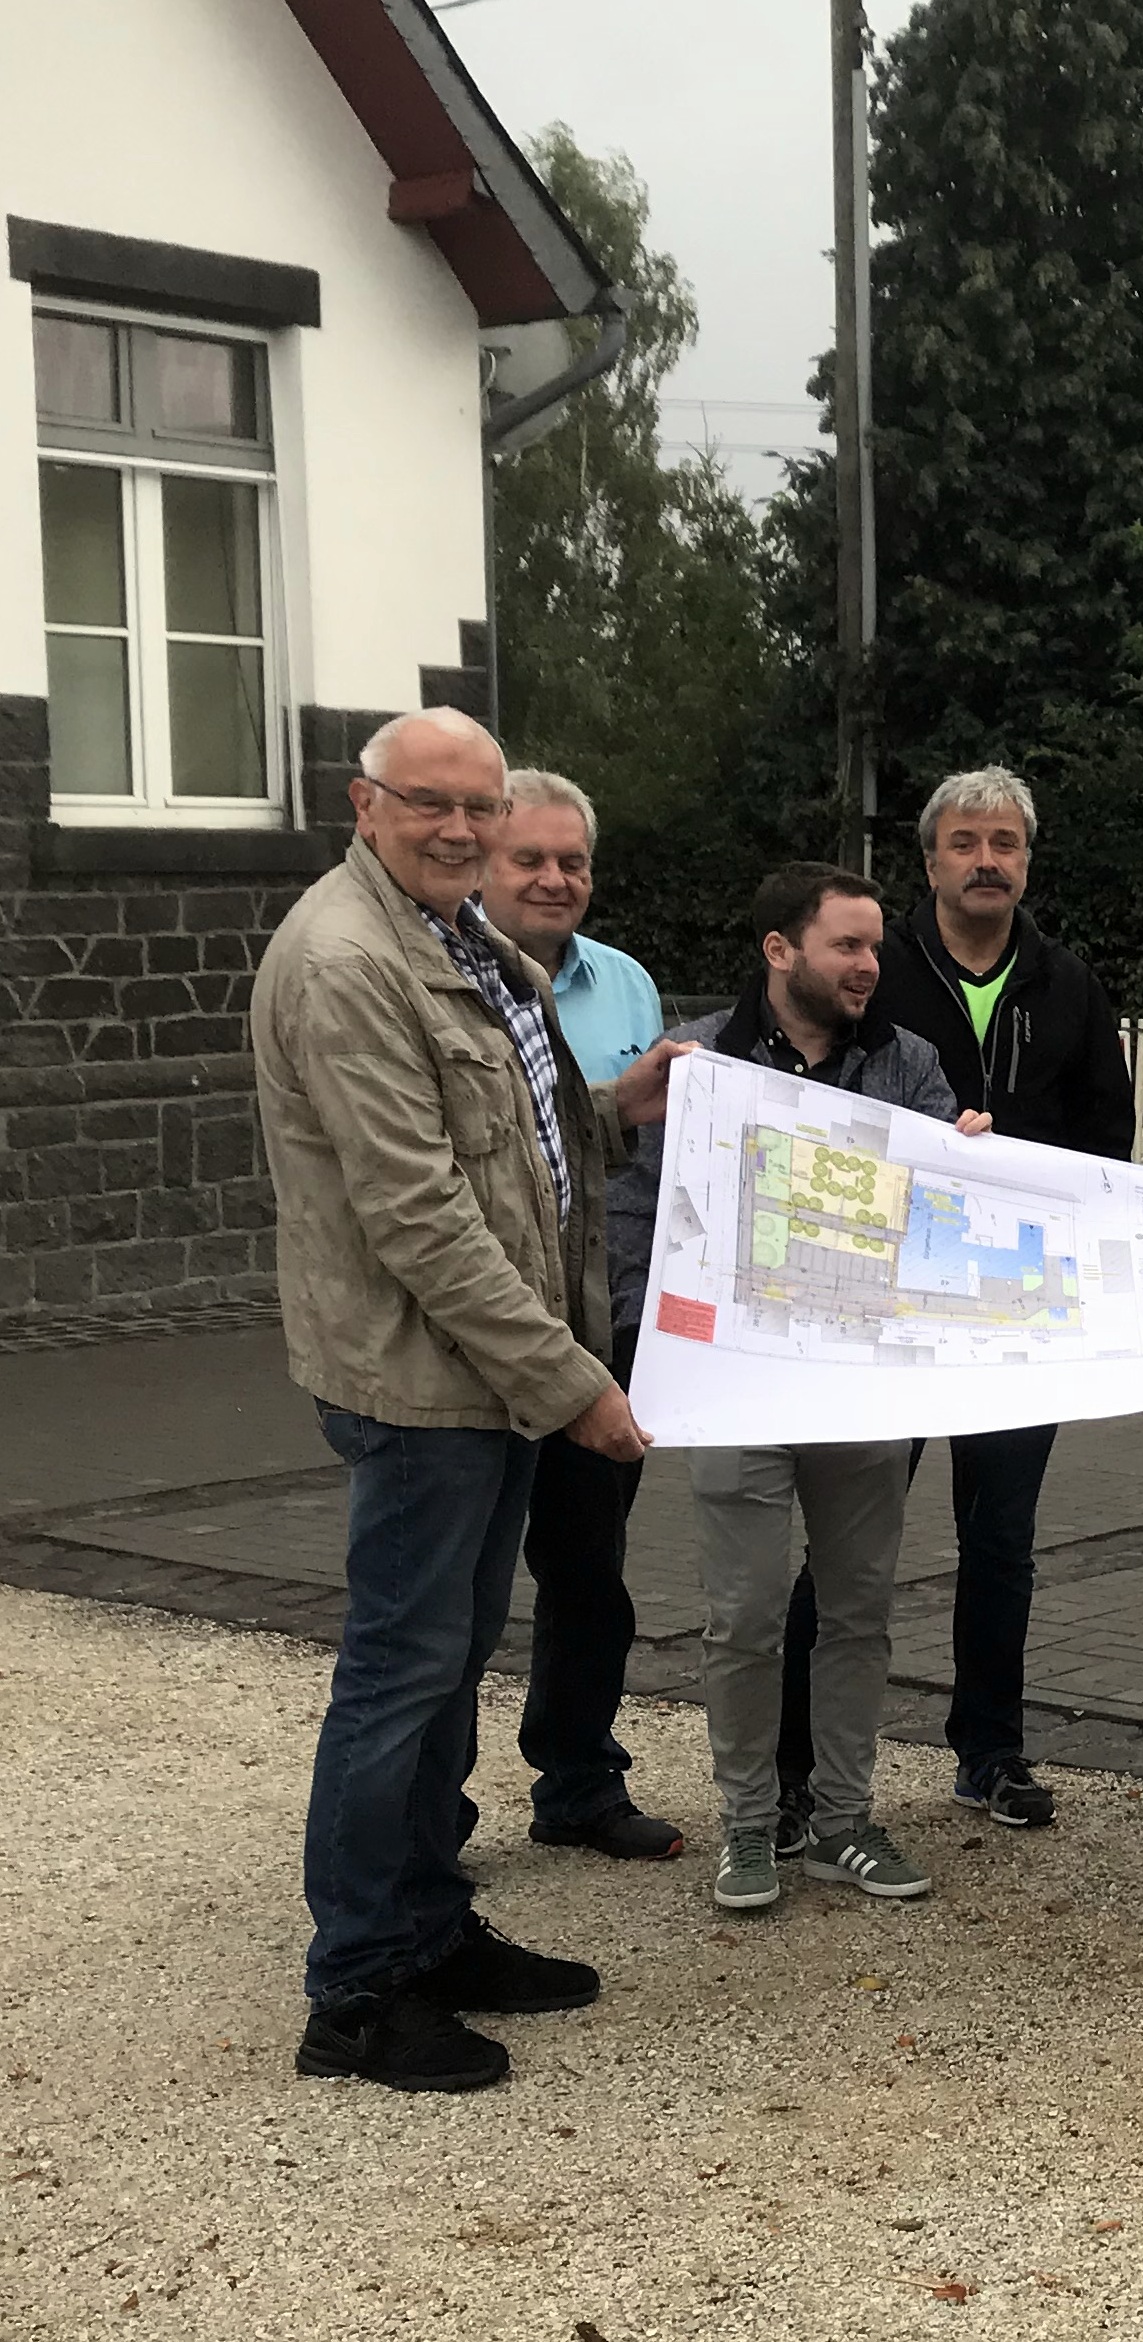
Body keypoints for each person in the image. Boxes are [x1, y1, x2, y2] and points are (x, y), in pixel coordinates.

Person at [253, 707, 688, 2094]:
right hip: (425, 1380)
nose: (458, 827)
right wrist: (575, 1382)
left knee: (445, 1662)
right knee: (399, 1674)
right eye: (428, 801)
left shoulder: (460, 938)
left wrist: (622, 1107)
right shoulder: (346, 961)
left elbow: (520, 1143)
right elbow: (421, 1214)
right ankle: (360, 1989)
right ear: (363, 803)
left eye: (477, 805)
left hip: (485, 1379)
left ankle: (429, 1929)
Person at [607, 864, 995, 1915]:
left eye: (875, 947)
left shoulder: (909, 1064)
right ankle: (748, 1821)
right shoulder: (699, 1063)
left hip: (859, 1390)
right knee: (742, 1616)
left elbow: (942, 1221)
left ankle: (842, 1819)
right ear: (780, 950)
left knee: (859, 1612)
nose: (870, 965)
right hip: (734, 1388)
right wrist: (646, 1342)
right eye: (848, 946)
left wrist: (967, 1167)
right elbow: (636, 1207)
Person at [789, 767, 1134, 1837]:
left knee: (1002, 1542)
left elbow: (1105, 1143)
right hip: (881, 1306)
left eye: (1006, 843)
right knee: (845, 1539)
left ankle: (990, 1752)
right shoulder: (873, 970)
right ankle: (794, 1765)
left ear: (1028, 859)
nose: (987, 861)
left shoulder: (1069, 984)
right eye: (966, 842)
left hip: (1015, 1310)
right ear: (930, 858)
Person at [476, 768, 684, 1863]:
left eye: (573, 861)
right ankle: (427, 1812)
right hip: (474, 1335)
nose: (554, 879)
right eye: (530, 859)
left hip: (603, 1328)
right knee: (455, 1592)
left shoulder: (627, 985)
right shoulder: (439, 979)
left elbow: (648, 1152)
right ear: (483, 862)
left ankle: (578, 1781)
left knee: (589, 1572)